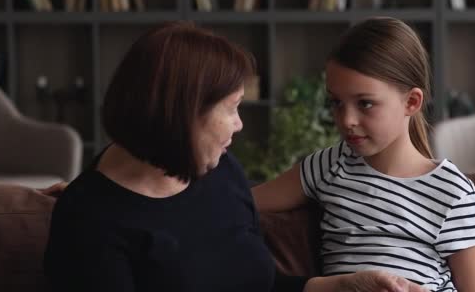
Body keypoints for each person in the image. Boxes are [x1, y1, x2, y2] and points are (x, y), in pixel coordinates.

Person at [43, 21, 426, 292]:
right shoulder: (90, 221)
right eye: (231, 109)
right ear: (182, 115)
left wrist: (344, 286)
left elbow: (261, 284)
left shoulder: (222, 171)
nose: (239, 126)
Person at [252, 17, 475, 292]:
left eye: (365, 103)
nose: (347, 119)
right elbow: (244, 203)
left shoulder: (455, 192)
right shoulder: (330, 166)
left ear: (411, 102)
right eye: (337, 102)